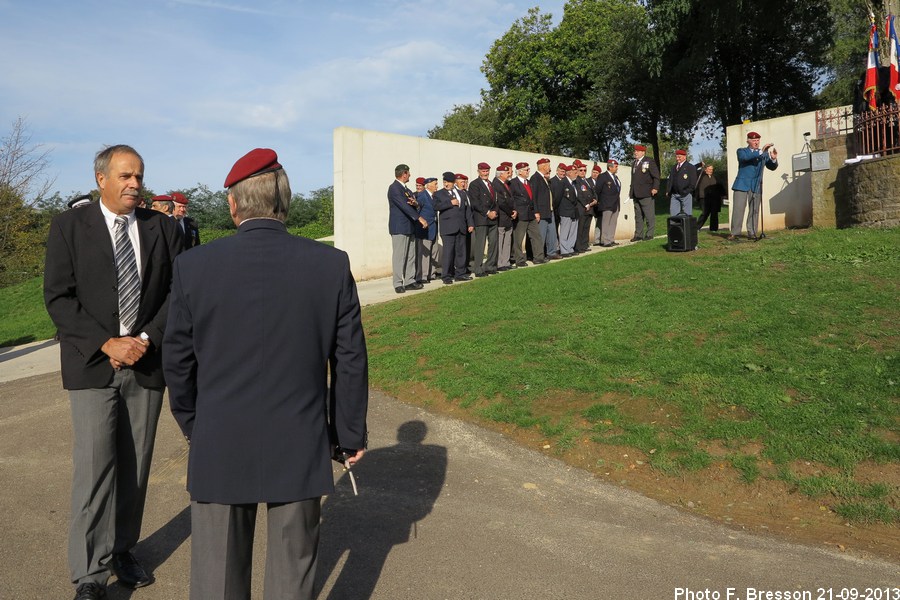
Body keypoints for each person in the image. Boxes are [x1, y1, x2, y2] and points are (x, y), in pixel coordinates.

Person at [162, 148, 369, 600]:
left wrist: (195, 424)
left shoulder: (194, 265)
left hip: (220, 437)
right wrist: (348, 434)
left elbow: (177, 358)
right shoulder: (329, 264)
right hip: (299, 436)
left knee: (216, 577)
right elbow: (349, 357)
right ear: (285, 203)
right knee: (293, 576)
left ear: (233, 204)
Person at [44, 145, 183, 600]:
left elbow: (176, 294)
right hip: (92, 365)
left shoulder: (161, 227)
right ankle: (88, 571)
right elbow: (59, 298)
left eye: (139, 176)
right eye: (125, 176)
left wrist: (145, 341)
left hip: (145, 365)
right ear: (101, 178)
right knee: (95, 468)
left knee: (136, 466)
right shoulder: (69, 226)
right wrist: (107, 342)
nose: (135, 185)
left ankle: (123, 550)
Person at [729, 131, 778, 240]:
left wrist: (773, 158)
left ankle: (752, 232)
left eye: (758, 140)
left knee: (754, 210)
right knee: (738, 209)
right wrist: (761, 151)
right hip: (741, 184)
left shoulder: (764, 154)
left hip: (756, 185)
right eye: (754, 140)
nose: (756, 142)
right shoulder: (742, 151)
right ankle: (735, 233)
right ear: (748, 141)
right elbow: (745, 159)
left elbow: (772, 167)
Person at [387, 163, 427, 293]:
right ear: (404, 174)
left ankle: (410, 281)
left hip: (410, 227)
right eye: (408, 173)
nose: (410, 175)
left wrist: (416, 203)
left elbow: (416, 203)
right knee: (400, 256)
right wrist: (419, 218)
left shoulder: (407, 190)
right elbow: (403, 205)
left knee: (411, 256)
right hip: (399, 227)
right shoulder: (394, 188)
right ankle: (398, 283)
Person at [433, 171, 474, 283]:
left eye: (448, 182)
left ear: (454, 182)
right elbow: (435, 206)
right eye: (444, 182)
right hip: (448, 228)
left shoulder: (461, 193)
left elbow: (467, 210)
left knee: (461, 252)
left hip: (461, 227)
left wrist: (470, 223)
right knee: (448, 253)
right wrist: (450, 203)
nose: (446, 184)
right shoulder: (438, 194)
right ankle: (446, 275)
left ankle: (460, 273)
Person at [509, 161, 547, 267]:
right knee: (518, 239)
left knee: (536, 236)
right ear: (520, 172)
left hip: (531, 214)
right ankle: (519, 259)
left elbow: (533, 198)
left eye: (528, 169)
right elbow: (512, 199)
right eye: (526, 170)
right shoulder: (513, 183)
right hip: (521, 215)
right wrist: (514, 211)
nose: (528, 171)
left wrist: (536, 212)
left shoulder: (529, 182)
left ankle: (538, 257)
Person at [468, 161, 499, 277]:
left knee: (493, 243)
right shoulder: (474, 184)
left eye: (487, 171)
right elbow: (475, 202)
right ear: (478, 171)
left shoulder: (491, 184)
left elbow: (495, 200)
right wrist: (487, 212)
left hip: (493, 218)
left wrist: (495, 211)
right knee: (480, 245)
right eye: (483, 171)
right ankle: (478, 268)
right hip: (481, 218)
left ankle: (490, 266)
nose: (485, 173)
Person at [530, 157, 560, 260]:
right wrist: (536, 211)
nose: (550, 168)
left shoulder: (544, 178)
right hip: (541, 212)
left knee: (552, 233)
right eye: (548, 166)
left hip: (549, 210)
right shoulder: (535, 178)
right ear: (543, 166)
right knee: (541, 234)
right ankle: (539, 254)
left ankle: (551, 252)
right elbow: (534, 196)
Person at [629, 144, 660, 241]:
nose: (635, 152)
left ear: (643, 152)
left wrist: (655, 188)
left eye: (637, 151)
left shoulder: (649, 161)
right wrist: (631, 191)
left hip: (646, 193)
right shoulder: (634, 163)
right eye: (635, 151)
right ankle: (638, 234)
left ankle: (649, 234)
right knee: (638, 216)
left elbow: (656, 176)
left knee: (649, 215)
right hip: (636, 193)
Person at [557, 164, 589, 256]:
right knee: (565, 232)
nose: (576, 174)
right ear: (569, 173)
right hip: (565, 210)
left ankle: (570, 248)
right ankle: (564, 250)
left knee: (572, 231)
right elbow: (558, 197)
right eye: (575, 172)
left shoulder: (574, 183)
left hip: (574, 211)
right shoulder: (563, 182)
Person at [415, 177, 440, 283]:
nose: (437, 186)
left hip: (434, 228)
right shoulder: (422, 196)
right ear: (429, 185)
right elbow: (417, 210)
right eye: (435, 184)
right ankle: (423, 276)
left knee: (434, 251)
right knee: (425, 254)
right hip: (425, 229)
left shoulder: (434, 196)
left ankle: (432, 273)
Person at [493, 163, 516, 271]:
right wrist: (511, 212)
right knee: (500, 241)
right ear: (501, 174)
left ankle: (505, 262)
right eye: (507, 172)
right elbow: (501, 202)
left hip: (508, 217)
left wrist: (514, 210)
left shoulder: (506, 184)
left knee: (507, 241)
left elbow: (511, 199)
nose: (509, 174)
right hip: (502, 217)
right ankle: (500, 263)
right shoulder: (496, 184)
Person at [596, 159, 622, 247]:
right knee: (606, 222)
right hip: (607, 203)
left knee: (613, 222)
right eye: (616, 166)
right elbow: (597, 190)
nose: (617, 168)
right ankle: (605, 240)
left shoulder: (615, 177)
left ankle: (611, 239)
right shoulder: (603, 176)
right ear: (610, 167)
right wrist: (600, 200)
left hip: (615, 203)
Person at [695, 164, 726, 232]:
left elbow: (720, 186)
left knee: (714, 213)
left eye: (712, 169)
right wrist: (700, 164)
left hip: (714, 198)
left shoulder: (715, 177)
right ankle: (697, 227)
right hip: (704, 198)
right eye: (709, 169)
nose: (711, 171)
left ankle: (713, 229)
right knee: (704, 213)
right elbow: (694, 169)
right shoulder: (701, 176)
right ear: (705, 170)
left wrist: (723, 195)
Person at [666, 149, 698, 216]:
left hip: (685, 194)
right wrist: (668, 190)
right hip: (674, 194)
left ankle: (688, 226)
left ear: (684, 157)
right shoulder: (674, 167)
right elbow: (670, 180)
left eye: (679, 157)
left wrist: (687, 191)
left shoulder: (690, 167)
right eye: (676, 157)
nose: (677, 159)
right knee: (673, 215)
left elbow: (693, 182)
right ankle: (675, 226)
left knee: (687, 215)